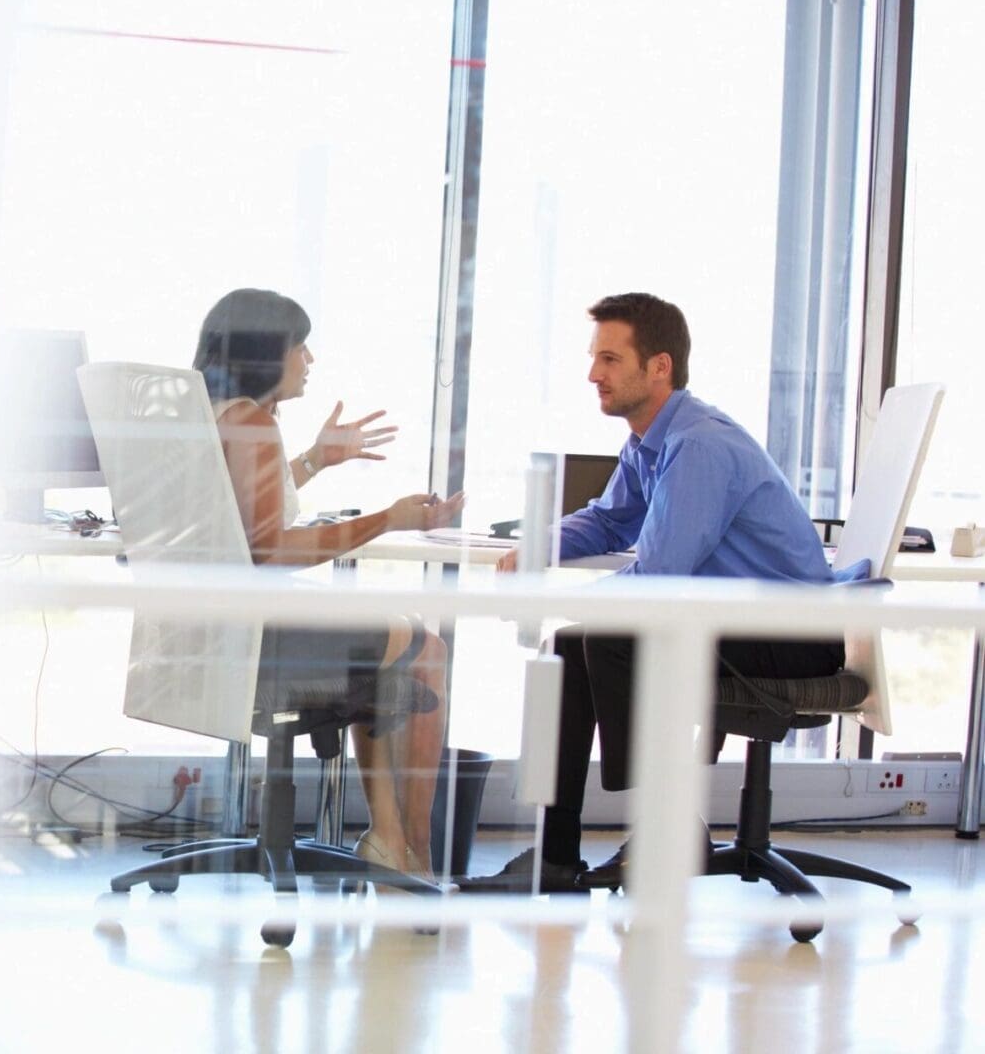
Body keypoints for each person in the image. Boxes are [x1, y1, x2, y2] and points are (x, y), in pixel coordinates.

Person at [460, 291, 845, 893]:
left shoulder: (699, 446)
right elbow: (609, 519)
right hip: (738, 624)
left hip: (791, 635)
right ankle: (555, 856)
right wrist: (539, 544)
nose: (594, 374)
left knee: (609, 637)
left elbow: (661, 574)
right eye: (595, 358)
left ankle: (671, 823)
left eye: (610, 360)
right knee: (571, 645)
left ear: (659, 367)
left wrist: (570, 599)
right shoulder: (650, 442)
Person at [193, 287, 465, 884]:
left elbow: (244, 514)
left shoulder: (215, 416)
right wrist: (388, 520)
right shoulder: (254, 422)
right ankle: (413, 854)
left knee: (394, 650)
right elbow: (270, 547)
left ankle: (390, 841)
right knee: (427, 651)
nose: (309, 360)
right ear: (270, 351)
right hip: (263, 647)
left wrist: (315, 459)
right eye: (300, 346)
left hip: (216, 636)